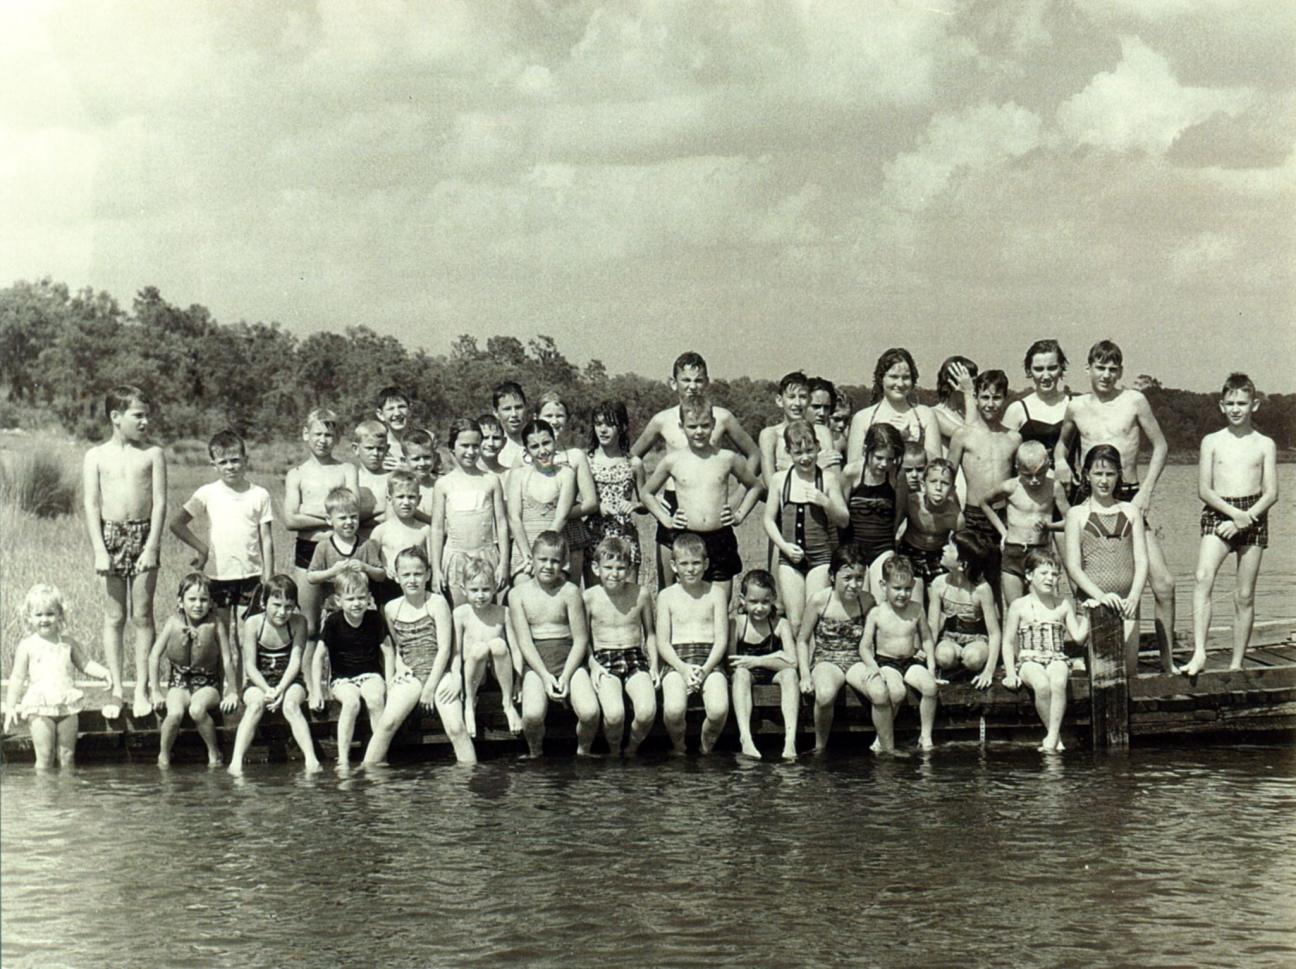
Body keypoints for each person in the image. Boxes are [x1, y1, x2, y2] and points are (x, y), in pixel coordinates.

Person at [1054, 340, 1174, 671]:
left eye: (1113, 369)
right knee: (1085, 578)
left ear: (1120, 371)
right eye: (1100, 367)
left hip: (1131, 493)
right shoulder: (1076, 406)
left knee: (1163, 582)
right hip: (1091, 495)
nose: (1106, 375)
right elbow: (1061, 446)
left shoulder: (1135, 400)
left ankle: (1167, 664)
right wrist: (1061, 462)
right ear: (1088, 368)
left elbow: (1161, 446)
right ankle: (1088, 654)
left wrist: (1147, 490)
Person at [630, 351, 760, 587]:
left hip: (712, 504)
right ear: (673, 383)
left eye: (698, 380)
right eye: (686, 380)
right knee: (671, 587)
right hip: (673, 505)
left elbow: (754, 454)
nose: (692, 386)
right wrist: (641, 494)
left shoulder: (722, 417)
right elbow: (634, 456)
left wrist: (736, 498)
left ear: (707, 382)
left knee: (715, 586)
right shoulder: (662, 419)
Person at [1184, 373, 1278, 676]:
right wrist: (1231, 516)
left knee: (1244, 594)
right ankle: (1199, 652)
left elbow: (1272, 492)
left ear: (1255, 405)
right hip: (1218, 510)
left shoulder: (1265, 444)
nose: (1236, 408)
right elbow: (1204, 490)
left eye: (1242, 403)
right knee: (1202, 576)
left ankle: (1236, 664)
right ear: (1221, 406)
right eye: (1231, 403)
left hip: (1253, 514)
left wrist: (1244, 519)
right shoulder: (1211, 441)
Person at [82, 384, 167, 719]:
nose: (145, 421)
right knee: (115, 616)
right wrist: (99, 550)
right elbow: (91, 505)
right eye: (138, 415)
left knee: (143, 616)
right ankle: (117, 688)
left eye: (147, 415)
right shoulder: (95, 456)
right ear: (116, 417)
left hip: (144, 534)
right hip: (110, 534)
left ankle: (143, 687)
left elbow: (160, 503)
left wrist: (152, 546)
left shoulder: (153, 454)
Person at [170, 429, 274, 685]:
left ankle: (242, 693)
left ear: (245, 459)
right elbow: (177, 523)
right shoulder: (207, 493)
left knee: (244, 639)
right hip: (217, 577)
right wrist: (202, 549)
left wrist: (269, 578)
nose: (231, 466)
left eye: (235, 460)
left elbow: (267, 539)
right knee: (220, 638)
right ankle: (221, 690)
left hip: (251, 577)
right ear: (213, 464)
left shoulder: (259, 494)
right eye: (224, 462)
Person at [641, 398, 764, 602]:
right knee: (689, 603)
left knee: (719, 604)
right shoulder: (673, 461)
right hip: (687, 539)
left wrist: (739, 514)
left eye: (705, 426)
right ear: (682, 427)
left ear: (714, 425)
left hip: (721, 538)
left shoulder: (727, 458)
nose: (699, 431)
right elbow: (647, 493)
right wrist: (666, 519)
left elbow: (756, 486)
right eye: (692, 426)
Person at [365, 547, 475, 765]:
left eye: (417, 574)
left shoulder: (437, 603)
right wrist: (400, 666)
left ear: (427, 575)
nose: (412, 580)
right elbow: (397, 646)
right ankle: (367, 772)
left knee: (456, 727)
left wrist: (430, 689)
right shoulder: (391, 608)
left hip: (439, 673)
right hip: (411, 675)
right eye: (406, 575)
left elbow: (445, 648)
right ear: (396, 577)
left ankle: (468, 779)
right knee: (386, 723)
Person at [509, 532, 600, 757]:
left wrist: (566, 675)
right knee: (531, 715)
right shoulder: (517, 594)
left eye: (555, 561)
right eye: (543, 560)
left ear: (564, 563)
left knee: (590, 713)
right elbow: (524, 641)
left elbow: (580, 639)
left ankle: (583, 752)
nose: (549, 566)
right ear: (532, 559)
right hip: (537, 661)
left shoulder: (570, 591)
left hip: (569, 658)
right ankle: (535, 752)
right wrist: (546, 676)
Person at [3, 585, 112, 769]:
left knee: (67, 757)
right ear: (29, 617)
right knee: (45, 757)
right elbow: (17, 677)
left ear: (60, 615)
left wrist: (104, 673)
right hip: (39, 709)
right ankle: (45, 796)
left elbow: (85, 664)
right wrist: (11, 706)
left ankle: (66, 795)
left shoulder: (67, 643)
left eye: (50, 614)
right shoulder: (27, 645)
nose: (44, 619)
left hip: (66, 706)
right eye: (38, 615)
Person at [1062, 445, 1148, 673]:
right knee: (1099, 673)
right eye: (1098, 474)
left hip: (1127, 604)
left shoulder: (1131, 511)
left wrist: (1134, 597)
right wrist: (1101, 597)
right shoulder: (1076, 514)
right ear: (1087, 475)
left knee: (1128, 671)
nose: (1104, 480)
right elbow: (1073, 566)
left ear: (1119, 475)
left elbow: (1141, 561)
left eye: (1110, 474)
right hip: (1093, 603)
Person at [283, 407, 360, 650]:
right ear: (306, 434)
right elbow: (290, 520)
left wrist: (309, 513)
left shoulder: (347, 470)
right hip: (308, 548)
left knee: (346, 617)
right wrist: (330, 518)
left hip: (342, 549)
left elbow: (352, 509)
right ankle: (309, 683)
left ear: (337, 438)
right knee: (310, 625)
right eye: (317, 434)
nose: (322, 440)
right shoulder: (296, 474)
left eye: (328, 435)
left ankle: (341, 677)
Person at [762, 419, 848, 634]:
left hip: (821, 558)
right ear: (788, 452)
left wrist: (826, 502)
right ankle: (797, 666)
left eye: (810, 450)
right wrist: (783, 546)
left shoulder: (827, 480)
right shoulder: (780, 480)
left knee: (815, 618)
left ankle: (814, 665)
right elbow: (768, 520)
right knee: (795, 621)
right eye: (798, 453)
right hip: (789, 559)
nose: (806, 457)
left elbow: (844, 519)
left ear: (818, 447)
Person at [228, 575, 319, 775]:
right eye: (276, 605)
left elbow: (296, 661)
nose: (282, 612)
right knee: (255, 705)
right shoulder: (253, 623)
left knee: (291, 705)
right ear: (263, 603)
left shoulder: (299, 623)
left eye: (288, 606)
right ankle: (236, 761)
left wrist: (280, 689)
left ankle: (311, 759)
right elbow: (250, 666)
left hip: (289, 679)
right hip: (258, 680)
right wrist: (267, 689)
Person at [1001, 550, 1090, 752]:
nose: (1050, 578)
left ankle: (1050, 738)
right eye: (1044, 573)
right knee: (1041, 685)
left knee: (1058, 682)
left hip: (1056, 656)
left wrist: (1088, 615)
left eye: (1054, 574)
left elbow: (1077, 637)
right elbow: (1007, 642)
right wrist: (1010, 672)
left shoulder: (1063, 604)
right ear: (1029, 576)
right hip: (1028, 660)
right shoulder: (1018, 605)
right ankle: (1055, 735)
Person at [148, 573, 238, 768]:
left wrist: (232, 691)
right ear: (180, 602)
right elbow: (154, 656)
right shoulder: (173, 623)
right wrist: (155, 691)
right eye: (192, 599)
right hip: (179, 685)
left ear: (211, 602)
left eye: (204, 600)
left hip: (208, 686)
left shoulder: (215, 624)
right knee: (174, 714)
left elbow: (227, 659)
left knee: (197, 709)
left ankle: (214, 753)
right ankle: (163, 755)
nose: (198, 605)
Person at [948, 369, 1021, 598]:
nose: (991, 404)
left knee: (999, 581)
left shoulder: (1014, 438)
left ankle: (998, 630)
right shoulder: (963, 435)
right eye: (985, 397)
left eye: (996, 397)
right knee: (971, 582)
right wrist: (955, 516)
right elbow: (947, 479)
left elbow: (1020, 483)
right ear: (976, 398)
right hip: (973, 517)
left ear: (1005, 398)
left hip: (1002, 518)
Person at [655, 532, 730, 755]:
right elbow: (662, 641)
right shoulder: (666, 596)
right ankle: (680, 747)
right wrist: (683, 668)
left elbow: (721, 639)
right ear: (674, 565)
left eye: (696, 563)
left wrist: (706, 669)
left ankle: (705, 748)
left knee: (718, 710)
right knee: (674, 709)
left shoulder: (716, 594)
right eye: (684, 563)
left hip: (710, 659)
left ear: (706, 564)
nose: (691, 569)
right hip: (677, 660)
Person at [584, 536, 658, 756]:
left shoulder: (641, 594)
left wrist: (654, 665)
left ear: (629, 568)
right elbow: (583, 639)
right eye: (608, 567)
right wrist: (593, 664)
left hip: (635, 656)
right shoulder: (589, 597)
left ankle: (632, 748)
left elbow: (651, 633)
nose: (614, 573)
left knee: (646, 712)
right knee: (615, 714)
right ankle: (614, 752)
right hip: (603, 658)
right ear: (596, 568)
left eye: (620, 568)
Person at [797, 544, 874, 754]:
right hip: (826, 659)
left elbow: (876, 636)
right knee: (825, 694)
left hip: (856, 659)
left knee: (881, 693)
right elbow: (802, 640)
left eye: (859, 578)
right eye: (847, 578)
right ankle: (820, 746)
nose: (854, 584)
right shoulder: (819, 600)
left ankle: (883, 746)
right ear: (832, 576)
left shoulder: (867, 601)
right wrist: (805, 675)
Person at [857, 555, 939, 752]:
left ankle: (925, 735)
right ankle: (882, 735)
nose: (903, 594)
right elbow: (864, 646)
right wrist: (872, 665)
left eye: (908, 589)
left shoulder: (917, 609)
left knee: (930, 687)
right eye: (897, 588)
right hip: (887, 662)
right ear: (883, 585)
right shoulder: (877, 613)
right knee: (897, 692)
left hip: (910, 661)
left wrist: (931, 666)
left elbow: (927, 638)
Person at [311, 572, 391, 769]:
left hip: (371, 674)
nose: (357, 603)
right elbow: (317, 657)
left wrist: (389, 683)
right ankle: (343, 758)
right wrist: (316, 691)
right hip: (342, 679)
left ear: (369, 597)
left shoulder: (374, 619)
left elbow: (388, 653)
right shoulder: (333, 622)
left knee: (374, 699)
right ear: (339, 600)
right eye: (351, 599)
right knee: (351, 702)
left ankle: (380, 754)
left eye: (361, 598)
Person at [979, 440, 1069, 607]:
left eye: (1040, 473)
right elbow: (984, 502)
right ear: (1017, 468)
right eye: (1028, 475)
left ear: (1049, 465)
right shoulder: (1011, 487)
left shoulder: (1053, 487)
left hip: (1040, 552)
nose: (1034, 480)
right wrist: (1003, 532)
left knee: (1044, 608)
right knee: (1016, 609)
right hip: (1013, 552)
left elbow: (1070, 521)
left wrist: (1050, 527)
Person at [430, 418, 510, 605]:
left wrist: (503, 564)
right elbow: (436, 529)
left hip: (487, 556)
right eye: (464, 446)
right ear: (452, 448)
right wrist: (436, 570)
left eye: (475, 446)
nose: (471, 451)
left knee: (489, 612)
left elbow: (502, 524)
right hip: (455, 559)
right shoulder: (443, 484)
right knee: (459, 614)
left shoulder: (490, 481)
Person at [728, 569, 799, 761]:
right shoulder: (738, 624)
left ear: (773, 599)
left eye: (765, 602)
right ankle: (746, 738)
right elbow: (732, 662)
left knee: (790, 675)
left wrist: (757, 661)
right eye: (754, 602)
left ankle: (790, 739)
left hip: (773, 674)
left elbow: (792, 662)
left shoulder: (780, 624)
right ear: (743, 600)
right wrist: (777, 657)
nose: (759, 608)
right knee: (741, 673)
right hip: (747, 676)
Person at [456, 556, 523, 738]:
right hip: (473, 677)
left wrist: (518, 681)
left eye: (485, 589)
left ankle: (507, 704)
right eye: (474, 590)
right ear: (464, 590)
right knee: (479, 649)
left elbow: (515, 650)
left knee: (499, 644)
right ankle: (469, 705)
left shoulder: (503, 612)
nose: (480, 595)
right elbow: (455, 653)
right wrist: (456, 678)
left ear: (494, 588)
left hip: (498, 675)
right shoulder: (461, 614)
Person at [537, 391, 599, 583]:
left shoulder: (575, 455)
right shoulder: (524, 456)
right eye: (548, 416)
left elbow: (591, 502)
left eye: (559, 416)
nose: (554, 421)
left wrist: (561, 516)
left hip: (570, 533)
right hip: (536, 528)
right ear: (536, 418)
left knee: (568, 592)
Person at [506, 419, 577, 583]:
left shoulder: (565, 474)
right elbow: (514, 518)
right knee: (522, 587)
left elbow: (561, 518)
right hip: (524, 551)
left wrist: (543, 557)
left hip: (553, 553)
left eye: (546, 443)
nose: (542, 451)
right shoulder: (518, 475)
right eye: (535, 447)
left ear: (555, 442)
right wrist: (529, 556)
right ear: (527, 451)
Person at [927, 531, 1000, 688]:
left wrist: (988, 671)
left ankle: (968, 668)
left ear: (963, 564)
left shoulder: (981, 589)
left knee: (973, 659)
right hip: (949, 637)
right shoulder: (939, 583)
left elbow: (994, 633)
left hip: (977, 639)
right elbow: (932, 628)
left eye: (951, 547)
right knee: (944, 657)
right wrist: (930, 669)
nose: (944, 548)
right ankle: (954, 667)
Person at [584, 399, 645, 585]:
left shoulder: (634, 463)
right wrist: (596, 507)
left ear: (623, 427)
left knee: (628, 600)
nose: (603, 430)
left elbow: (646, 503)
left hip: (625, 536)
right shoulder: (586, 461)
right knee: (596, 600)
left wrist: (634, 505)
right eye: (599, 424)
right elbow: (575, 502)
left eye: (610, 425)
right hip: (594, 536)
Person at [846, 347, 940, 461]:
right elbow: (853, 467)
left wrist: (909, 442)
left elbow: (935, 464)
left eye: (905, 378)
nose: (900, 384)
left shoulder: (926, 415)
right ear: (881, 378)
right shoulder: (862, 418)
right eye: (894, 377)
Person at [305, 487, 386, 615]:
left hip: (361, 609)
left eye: (353, 517)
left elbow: (381, 575)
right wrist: (332, 571)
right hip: (332, 609)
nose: (349, 522)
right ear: (329, 519)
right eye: (342, 518)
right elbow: (311, 576)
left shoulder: (366, 545)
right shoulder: (324, 546)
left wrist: (365, 567)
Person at [1003, 340, 1073, 473]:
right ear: (1029, 371)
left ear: (1061, 368)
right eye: (1039, 369)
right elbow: (1005, 461)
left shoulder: (1074, 405)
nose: (1046, 376)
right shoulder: (1017, 410)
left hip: (1070, 488)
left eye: (1052, 368)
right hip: (1030, 489)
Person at [758, 370, 837, 486]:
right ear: (780, 401)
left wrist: (788, 467)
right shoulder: (770, 435)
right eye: (791, 397)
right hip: (784, 501)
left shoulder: (821, 432)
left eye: (803, 397)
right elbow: (771, 483)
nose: (797, 403)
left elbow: (832, 478)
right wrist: (816, 463)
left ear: (809, 400)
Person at [841, 423, 904, 565]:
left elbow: (900, 511)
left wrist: (891, 536)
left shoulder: (896, 475)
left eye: (890, 459)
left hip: (884, 547)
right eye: (879, 458)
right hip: (854, 548)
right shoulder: (851, 473)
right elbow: (842, 515)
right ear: (865, 450)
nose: (884, 464)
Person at [368, 470, 431, 608]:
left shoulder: (424, 530)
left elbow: (430, 562)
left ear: (419, 499)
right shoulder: (380, 531)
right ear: (389, 498)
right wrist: (384, 567)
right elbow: (371, 561)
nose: (406, 502)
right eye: (400, 497)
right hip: (388, 587)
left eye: (411, 497)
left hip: (416, 586)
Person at [897, 458, 962, 591]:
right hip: (909, 551)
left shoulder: (955, 517)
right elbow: (894, 527)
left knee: (937, 594)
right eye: (933, 482)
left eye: (944, 483)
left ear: (952, 489)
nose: (938, 488)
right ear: (923, 484)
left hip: (937, 555)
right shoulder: (912, 503)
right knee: (912, 591)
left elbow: (960, 548)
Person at [352, 419, 392, 542]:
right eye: (369, 448)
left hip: (388, 543)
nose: (375, 453)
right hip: (360, 544)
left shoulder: (392, 478)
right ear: (356, 448)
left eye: (380, 448)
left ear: (387, 449)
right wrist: (382, 511)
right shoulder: (352, 479)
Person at [930, 356, 980, 451]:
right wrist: (968, 392)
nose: (974, 387)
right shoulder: (934, 414)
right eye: (969, 382)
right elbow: (969, 438)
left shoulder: (974, 411)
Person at [401, 427, 443, 521]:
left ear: (434, 457)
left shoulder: (441, 485)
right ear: (404, 460)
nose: (422, 463)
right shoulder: (399, 486)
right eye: (416, 459)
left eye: (427, 457)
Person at [806, 377, 845, 469]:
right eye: (816, 407)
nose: (822, 413)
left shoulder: (838, 440)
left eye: (826, 407)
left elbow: (836, 477)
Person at [492, 380, 530, 469]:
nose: (514, 414)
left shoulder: (539, 443)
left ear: (526, 408)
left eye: (518, 407)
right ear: (496, 412)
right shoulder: (491, 448)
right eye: (507, 409)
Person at [374, 385, 412, 469]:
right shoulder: (376, 446)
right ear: (380, 414)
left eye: (401, 407)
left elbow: (440, 477)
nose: (397, 413)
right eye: (390, 409)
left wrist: (409, 470)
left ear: (410, 410)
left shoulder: (425, 440)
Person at [476, 413, 510, 478]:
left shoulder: (511, 475)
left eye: (496, 438)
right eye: (485, 438)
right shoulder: (466, 475)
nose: (491, 443)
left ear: (504, 442)